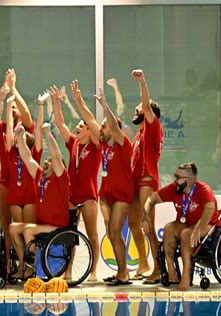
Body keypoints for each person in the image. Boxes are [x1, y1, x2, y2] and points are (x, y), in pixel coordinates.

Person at [0, 68, 34, 271]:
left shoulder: (25, 130)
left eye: (15, 109)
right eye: (10, 109)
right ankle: (6, 264)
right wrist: (2, 94)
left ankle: (27, 263)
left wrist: (14, 89)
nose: (12, 110)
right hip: (4, 180)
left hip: (22, 181)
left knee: (24, 225)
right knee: (6, 223)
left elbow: (28, 116)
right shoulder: (1, 126)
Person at [50, 82, 101, 282]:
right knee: (69, 235)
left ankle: (94, 271)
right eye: (78, 126)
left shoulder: (97, 146)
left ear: (90, 131)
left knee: (92, 234)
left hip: (88, 195)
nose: (77, 128)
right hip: (72, 195)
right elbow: (61, 124)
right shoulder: (73, 144)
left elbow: (91, 121)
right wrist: (57, 103)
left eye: (81, 126)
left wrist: (78, 100)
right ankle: (68, 270)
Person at [142, 162, 219, 291]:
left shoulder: (203, 189)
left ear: (191, 180)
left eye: (178, 177)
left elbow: (210, 208)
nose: (175, 180)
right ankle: (172, 271)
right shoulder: (174, 189)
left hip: (207, 224)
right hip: (186, 224)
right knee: (169, 228)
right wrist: (145, 215)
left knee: (186, 234)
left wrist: (198, 228)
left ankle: (186, 276)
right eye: (175, 176)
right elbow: (152, 198)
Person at [9, 123, 70, 279]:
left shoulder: (60, 179)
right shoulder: (40, 177)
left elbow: (56, 155)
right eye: (46, 160)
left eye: (49, 161)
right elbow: (27, 157)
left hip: (57, 227)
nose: (46, 161)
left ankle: (35, 266)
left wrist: (47, 133)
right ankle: (25, 264)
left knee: (28, 230)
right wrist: (21, 137)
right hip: (42, 226)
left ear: (58, 167)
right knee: (13, 228)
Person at [127, 69, 163, 283]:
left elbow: (146, 105)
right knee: (133, 224)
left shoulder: (153, 127)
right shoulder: (139, 135)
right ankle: (143, 263)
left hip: (147, 181)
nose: (137, 108)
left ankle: (157, 268)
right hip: (135, 183)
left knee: (148, 225)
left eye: (139, 107)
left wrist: (142, 81)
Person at [94, 87, 134, 286]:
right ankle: (121, 271)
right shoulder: (103, 146)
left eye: (104, 126)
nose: (101, 129)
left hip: (122, 194)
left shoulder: (122, 143)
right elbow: (90, 122)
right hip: (107, 194)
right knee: (110, 233)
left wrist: (104, 105)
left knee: (116, 232)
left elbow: (114, 127)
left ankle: (123, 273)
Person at [5, 90, 44, 225]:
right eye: (17, 136)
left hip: (30, 196)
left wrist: (40, 105)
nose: (18, 137)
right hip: (14, 196)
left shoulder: (34, 153)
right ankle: (20, 248)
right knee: (16, 230)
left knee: (28, 230)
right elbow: (9, 126)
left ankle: (29, 247)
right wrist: (9, 106)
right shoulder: (11, 153)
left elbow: (38, 128)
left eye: (22, 135)